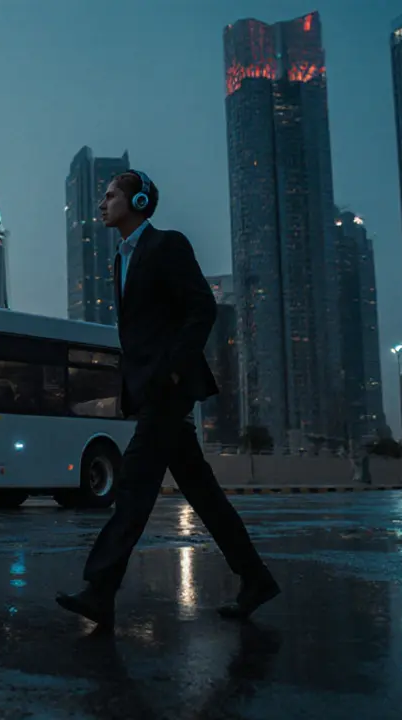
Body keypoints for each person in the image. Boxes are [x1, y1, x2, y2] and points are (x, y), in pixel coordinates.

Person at [55, 169, 279, 628]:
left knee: (134, 485)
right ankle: (256, 579)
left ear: (138, 200)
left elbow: (202, 308)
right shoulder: (120, 260)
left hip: (168, 389)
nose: (102, 204)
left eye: (111, 194)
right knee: (202, 492)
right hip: (150, 390)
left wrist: (173, 369)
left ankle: (100, 590)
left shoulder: (166, 245)